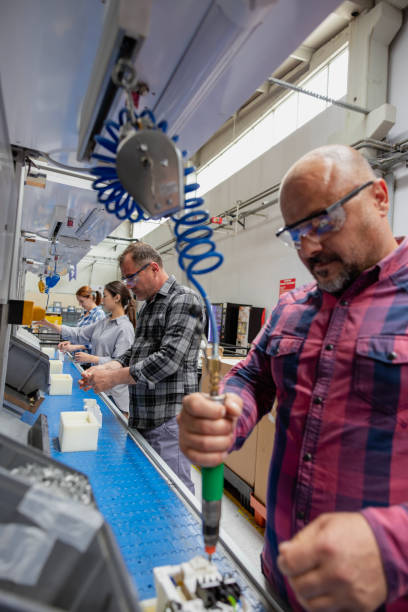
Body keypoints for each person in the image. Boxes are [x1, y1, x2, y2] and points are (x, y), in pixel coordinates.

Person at [178, 144, 408, 612]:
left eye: (323, 222)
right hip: (278, 583)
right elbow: (251, 378)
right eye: (295, 234)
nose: (309, 249)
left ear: (380, 197)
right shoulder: (291, 310)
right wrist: (226, 412)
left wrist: (393, 547)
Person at [78, 242, 204, 493]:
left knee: (173, 494)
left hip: (167, 420)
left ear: (154, 268)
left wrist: (114, 378)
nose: (128, 286)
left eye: (131, 277)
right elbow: (136, 353)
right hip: (143, 416)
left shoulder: (185, 301)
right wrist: (105, 369)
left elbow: (167, 360)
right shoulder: (149, 305)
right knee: (148, 489)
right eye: (125, 279)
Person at [37, 281, 136, 415]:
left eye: (105, 296)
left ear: (117, 298)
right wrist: (49, 324)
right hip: (99, 387)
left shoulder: (125, 328)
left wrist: (93, 358)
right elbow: (79, 333)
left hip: (114, 396)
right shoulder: (104, 322)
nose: (102, 301)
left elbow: (121, 363)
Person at [59, 285, 105, 355]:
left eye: (81, 301)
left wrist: (75, 347)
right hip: (78, 360)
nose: (80, 304)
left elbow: (98, 343)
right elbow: (81, 336)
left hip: (88, 361)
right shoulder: (84, 314)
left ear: (90, 297)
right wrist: (70, 342)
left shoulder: (98, 315)